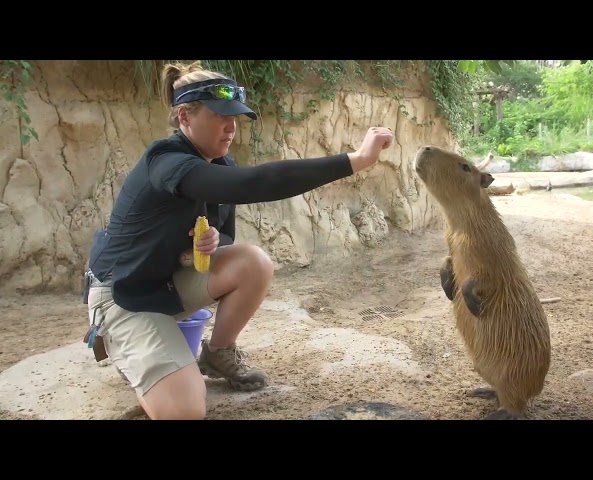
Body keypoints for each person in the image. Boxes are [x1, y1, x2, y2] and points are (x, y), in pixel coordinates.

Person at [84, 60, 394, 420]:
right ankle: (132, 353)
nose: (231, 127)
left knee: (254, 262)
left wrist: (206, 244)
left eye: (235, 116)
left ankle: (216, 353)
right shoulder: (166, 161)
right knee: (184, 412)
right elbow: (254, 184)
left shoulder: (220, 163)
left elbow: (227, 233)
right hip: (125, 294)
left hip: (164, 280)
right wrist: (355, 160)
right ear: (184, 117)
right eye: (219, 116)